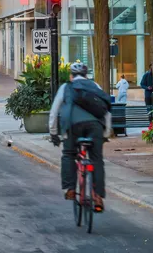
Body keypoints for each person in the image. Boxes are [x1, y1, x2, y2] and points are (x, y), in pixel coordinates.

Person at [49, 62, 111, 213]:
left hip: (73, 126)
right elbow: (106, 109)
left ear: (71, 75)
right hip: (95, 126)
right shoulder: (95, 86)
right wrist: (106, 133)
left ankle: (70, 189)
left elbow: (54, 111)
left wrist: (53, 132)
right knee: (96, 160)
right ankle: (97, 197)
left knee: (69, 154)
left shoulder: (66, 87)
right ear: (86, 75)